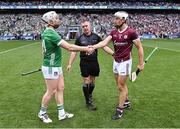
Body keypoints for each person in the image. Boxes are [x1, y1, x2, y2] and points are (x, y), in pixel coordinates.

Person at [38, 11, 94, 123]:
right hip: (51, 66)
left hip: (54, 66)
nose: (58, 21)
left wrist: (45, 62)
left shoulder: (48, 32)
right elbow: (69, 47)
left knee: (60, 88)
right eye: (56, 19)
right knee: (51, 91)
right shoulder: (51, 33)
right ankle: (42, 113)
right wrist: (86, 48)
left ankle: (61, 113)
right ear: (50, 21)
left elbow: (44, 51)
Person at [92, 11, 144, 120]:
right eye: (115, 18)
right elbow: (104, 43)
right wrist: (93, 47)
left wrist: (140, 63)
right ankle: (126, 101)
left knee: (121, 86)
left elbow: (139, 47)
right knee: (120, 85)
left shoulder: (131, 32)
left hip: (125, 62)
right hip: (116, 61)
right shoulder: (113, 32)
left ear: (124, 20)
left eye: (117, 19)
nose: (114, 20)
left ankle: (119, 110)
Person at [66, 20, 114, 111]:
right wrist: (69, 64)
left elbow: (104, 46)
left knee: (92, 81)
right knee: (86, 81)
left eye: (86, 26)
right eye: (83, 26)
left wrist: (113, 54)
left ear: (90, 26)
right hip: (84, 63)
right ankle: (88, 101)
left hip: (94, 62)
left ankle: (89, 94)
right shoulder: (79, 38)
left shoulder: (96, 37)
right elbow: (74, 52)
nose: (85, 28)